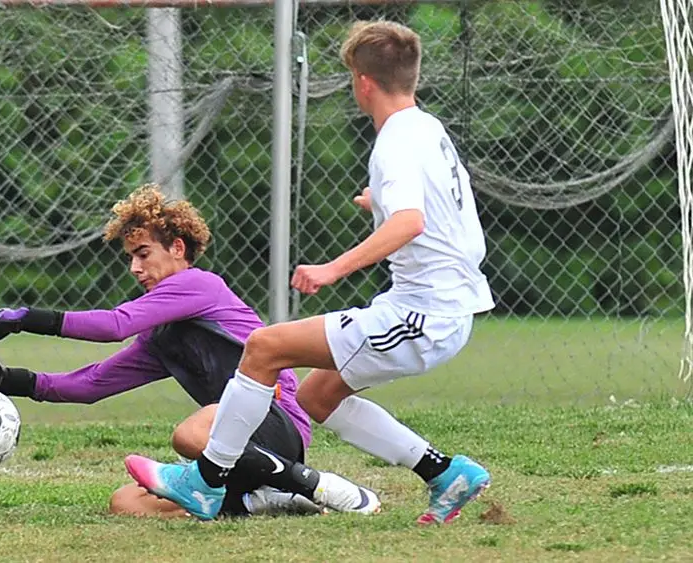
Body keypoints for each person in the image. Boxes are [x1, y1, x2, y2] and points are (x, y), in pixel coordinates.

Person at [125, 19, 496, 525]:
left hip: (423, 314)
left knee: (264, 347)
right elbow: (435, 207)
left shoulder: (394, 142)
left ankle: (206, 481)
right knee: (318, 394)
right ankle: (444, 473)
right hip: (440, 307)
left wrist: (332, 269)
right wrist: (380, 203)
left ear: (362, 82)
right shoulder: (426, 128)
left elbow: (412, 221)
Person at [0, 184, 380, 519]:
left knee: (190, 435)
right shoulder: (162, 339)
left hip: (277, 426)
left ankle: (312, 485)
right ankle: (264, 500)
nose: (134, 267)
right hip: (231, 446)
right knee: (125, 502)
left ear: (177, 249)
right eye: (130, 256)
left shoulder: (200, 285)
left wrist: (27, 317)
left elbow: (115, 325)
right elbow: (90, 385)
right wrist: (4, 381)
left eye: (143, 254)